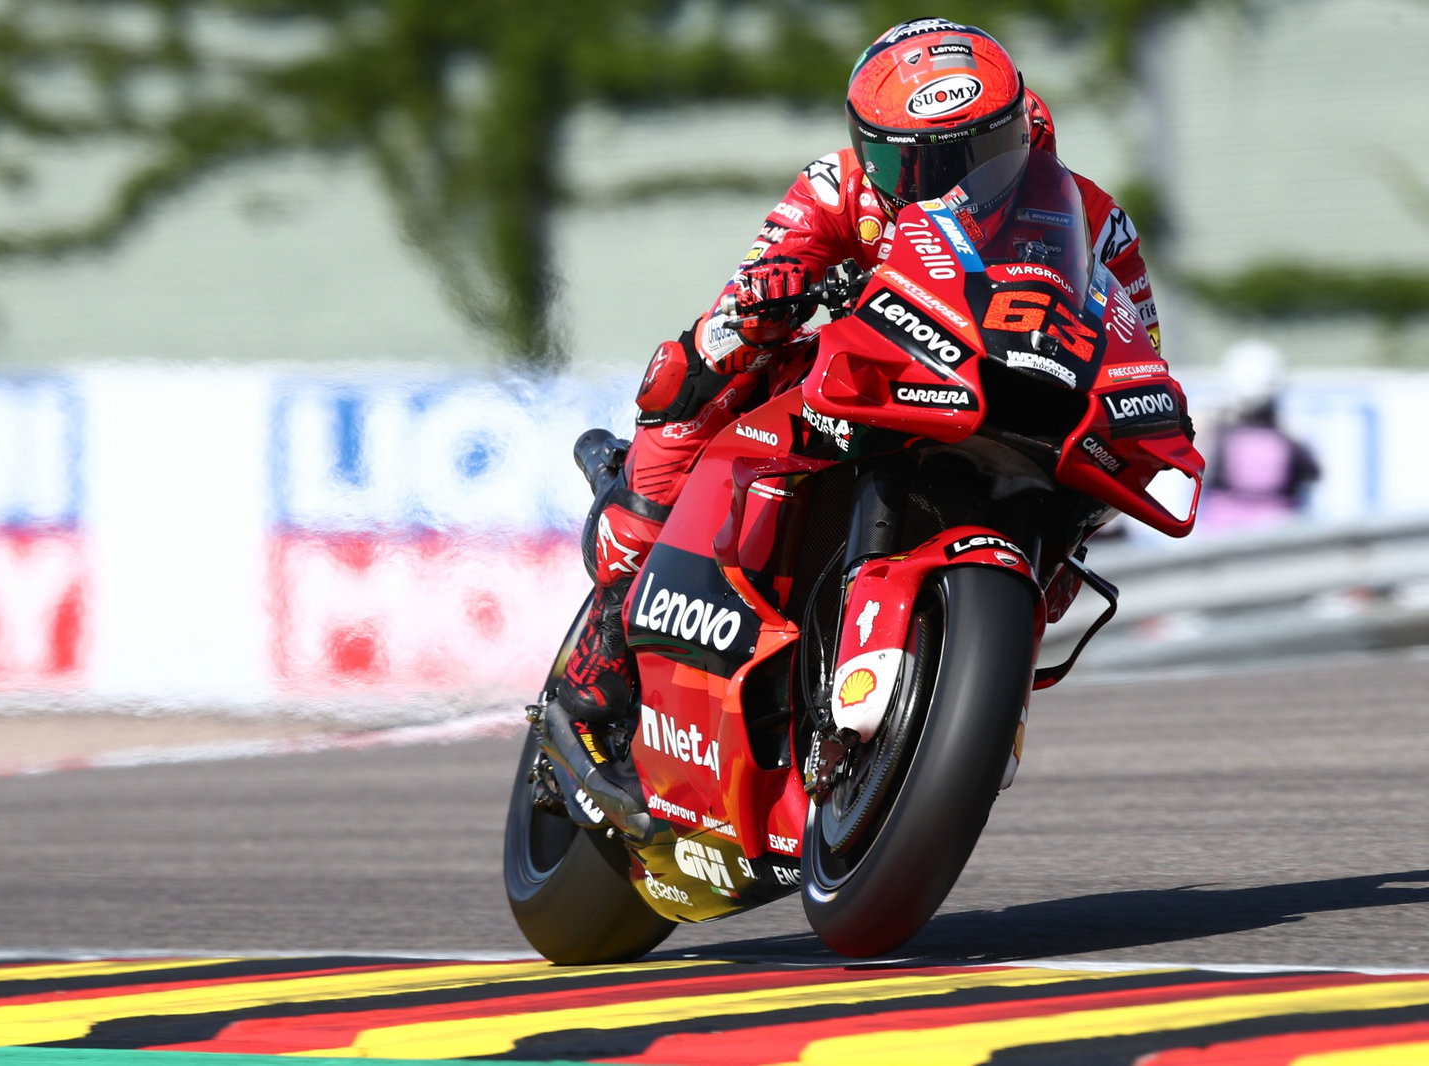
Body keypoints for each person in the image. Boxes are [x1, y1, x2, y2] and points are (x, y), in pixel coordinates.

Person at [556, 17, 1161, 733]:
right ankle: (614, 609)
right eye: (920, 166)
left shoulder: (1096, 220)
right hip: (867, 378)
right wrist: (765, 300)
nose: (952, 186)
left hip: (1008, 397)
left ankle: (971, 665)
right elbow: (752, 286)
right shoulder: (835, 188)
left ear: (1020, 135)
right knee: (697, 371)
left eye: (980, 158)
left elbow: (1141, 346)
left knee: (1103, 483)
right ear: (871, 151)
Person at [1201, 339, 1320, 528]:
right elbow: (1312, 475)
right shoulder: (1290, 437)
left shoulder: (1217, 433)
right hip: (1279, 533)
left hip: (1225, 533)